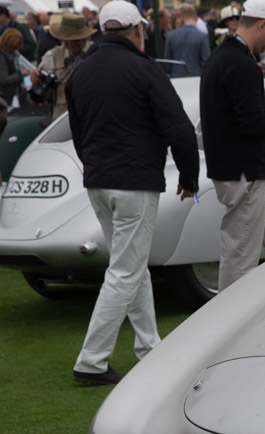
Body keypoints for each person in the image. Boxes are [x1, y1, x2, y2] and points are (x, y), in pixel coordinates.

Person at [66, 1, 199, 385]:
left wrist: (96, 168)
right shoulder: (145, 69)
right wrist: (189, 176)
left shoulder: (80, 72)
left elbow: (79, 134)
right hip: (133, 182)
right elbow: (179, 128)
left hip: (99, 180)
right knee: (125, 270)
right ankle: (91, 362)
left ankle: (150, 346)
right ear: (137, 30)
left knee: (130, 265)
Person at [200, 0, 265, 292]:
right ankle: (230, 324)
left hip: (249, 169)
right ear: (262, 24)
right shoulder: (240, 63)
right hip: (244, 172)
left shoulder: (224, 56)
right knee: (240, 259)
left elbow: (242, 118)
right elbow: (252, 126)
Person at [29, 13, 92, 122]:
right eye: (66, 40)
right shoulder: (52, 55)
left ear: (86, 37)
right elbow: (40, 89)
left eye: (76, 40)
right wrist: (36, 79)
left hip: (90, 116)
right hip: (61, 120)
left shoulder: (96, 52)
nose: (71, 44)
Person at [164, 3, 210, 77]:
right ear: (196, 18)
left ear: (181, 18)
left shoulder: (171, 35)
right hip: (196, 78)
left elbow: (167, 62)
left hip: (176, 77)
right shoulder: (202, 36)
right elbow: (206, 62)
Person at [0, 29, 27, 108]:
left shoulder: (11, 55)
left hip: (12, 95)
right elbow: (3, 79)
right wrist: (20, 74)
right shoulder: (2, 57)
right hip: (7, 97)